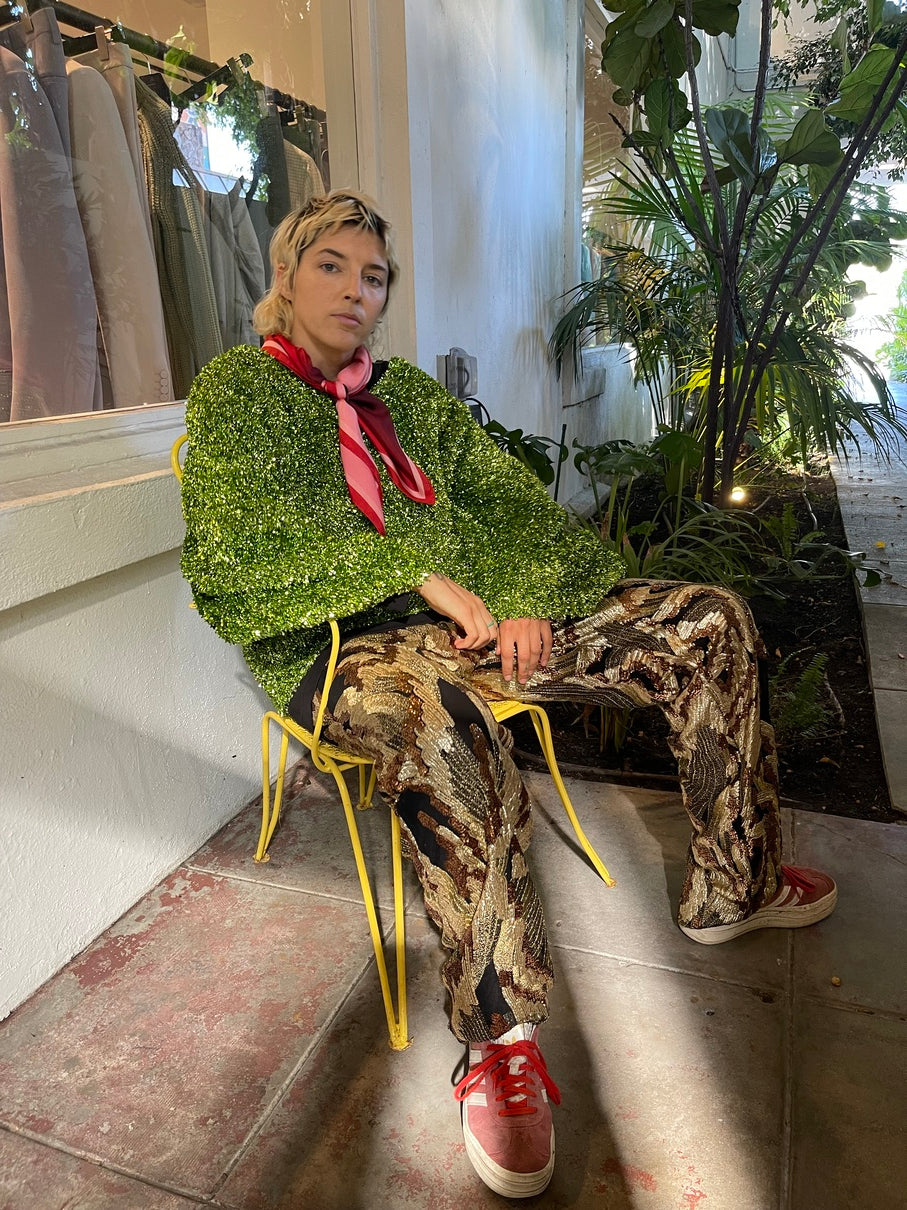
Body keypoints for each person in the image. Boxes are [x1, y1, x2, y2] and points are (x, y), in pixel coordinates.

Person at [180, 190, 837, 1199]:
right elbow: (235, 559)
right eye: (332, 266)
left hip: (474, 622)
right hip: (341, 645)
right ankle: (501, 1038)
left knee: (704, 619)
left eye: (373, 276)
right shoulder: (237, 394)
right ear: (285, 273)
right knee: (446, 727)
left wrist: (524, 593)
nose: (355, 290)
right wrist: (414, 572)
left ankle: (731, 883)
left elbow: (505, 499)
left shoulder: (407, 396)